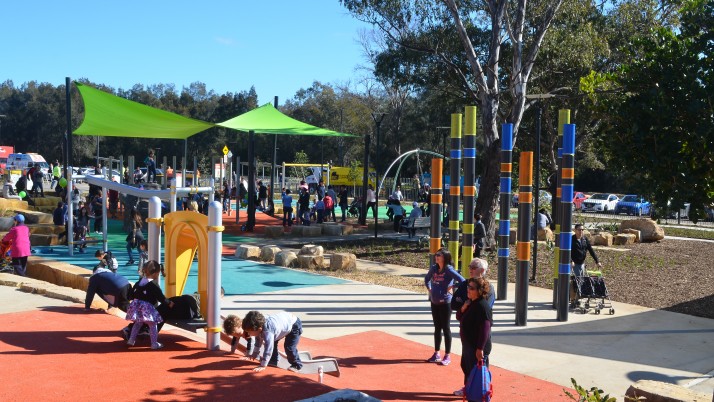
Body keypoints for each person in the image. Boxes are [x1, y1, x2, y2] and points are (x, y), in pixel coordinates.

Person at [424, 248, 465, 366]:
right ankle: (436, 353)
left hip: (446, 303)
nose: (436, 257)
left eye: (439, 255)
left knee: (446, 328)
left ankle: (447, 355)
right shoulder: (434, 268)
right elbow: (426, 279)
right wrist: (430, 289)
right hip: (434, 302)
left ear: (445, 258)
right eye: (436, 255)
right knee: (437, 328)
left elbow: (462, 281)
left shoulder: (448, 269)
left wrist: (452, 286)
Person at [454, 277, 493, 397]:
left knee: (477, 373)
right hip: (469, 345)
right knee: (467, 368)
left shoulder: (482, 306)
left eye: (471, 288)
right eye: (468, 287)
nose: (468, 289)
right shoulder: (471, 302)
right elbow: (459, 317)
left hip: (477, 346)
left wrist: (480, 348)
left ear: (479, 290)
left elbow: (485, 328)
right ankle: (469, 390)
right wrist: (463, 307)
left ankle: (479, 394)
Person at [125, 260, 173, 349]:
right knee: (153, 325)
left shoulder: (139, 282)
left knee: (137, 323)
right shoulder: (153, 284)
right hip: (147, 309)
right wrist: (169, 303)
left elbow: (132, 294)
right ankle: (154, 343)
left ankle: (131, 339)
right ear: (155, 273)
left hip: (137, 307)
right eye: (158, 274)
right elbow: (160, 297)